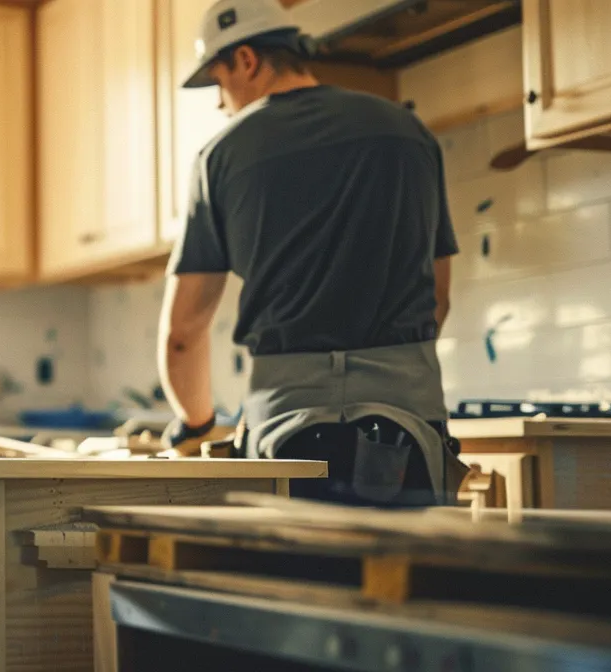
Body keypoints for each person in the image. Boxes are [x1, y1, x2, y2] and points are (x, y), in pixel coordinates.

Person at [156, 0, 465, 506]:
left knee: (297, 582)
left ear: (247, 60)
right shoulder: (409, 133)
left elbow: (184, 337)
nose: (218, 102)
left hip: (286, 430)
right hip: (410, 425)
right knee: (408, 578)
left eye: (218, 80)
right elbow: (439, 299)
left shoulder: (222, 156)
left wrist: (197, 425)